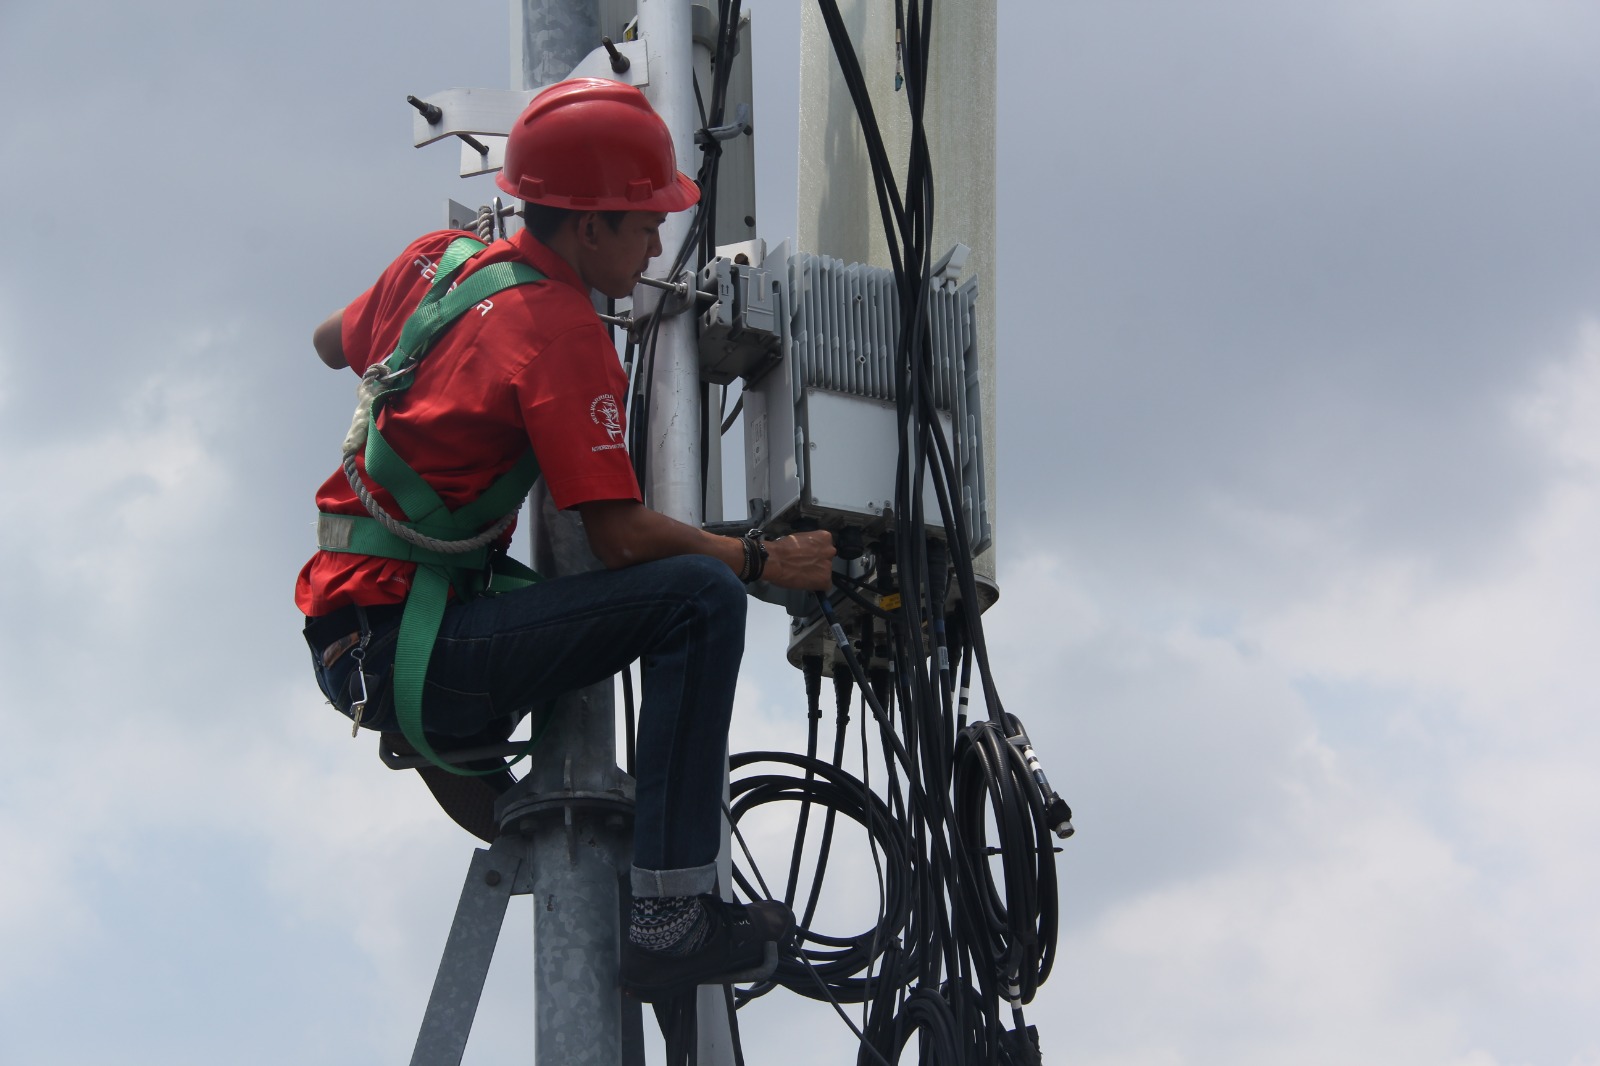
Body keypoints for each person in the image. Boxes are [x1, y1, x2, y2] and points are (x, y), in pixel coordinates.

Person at [294, 77, 836, 999]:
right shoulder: (560, 335)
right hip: (404, 645)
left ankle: (470, 755)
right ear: (587, 228)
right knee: (701, 602)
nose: (659, 242)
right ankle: (669, 916)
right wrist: (760, 560)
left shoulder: (441, 259)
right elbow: (621, 540)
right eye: (643, 223)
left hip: (356, 627)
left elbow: (325, 341)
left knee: (596, 591)